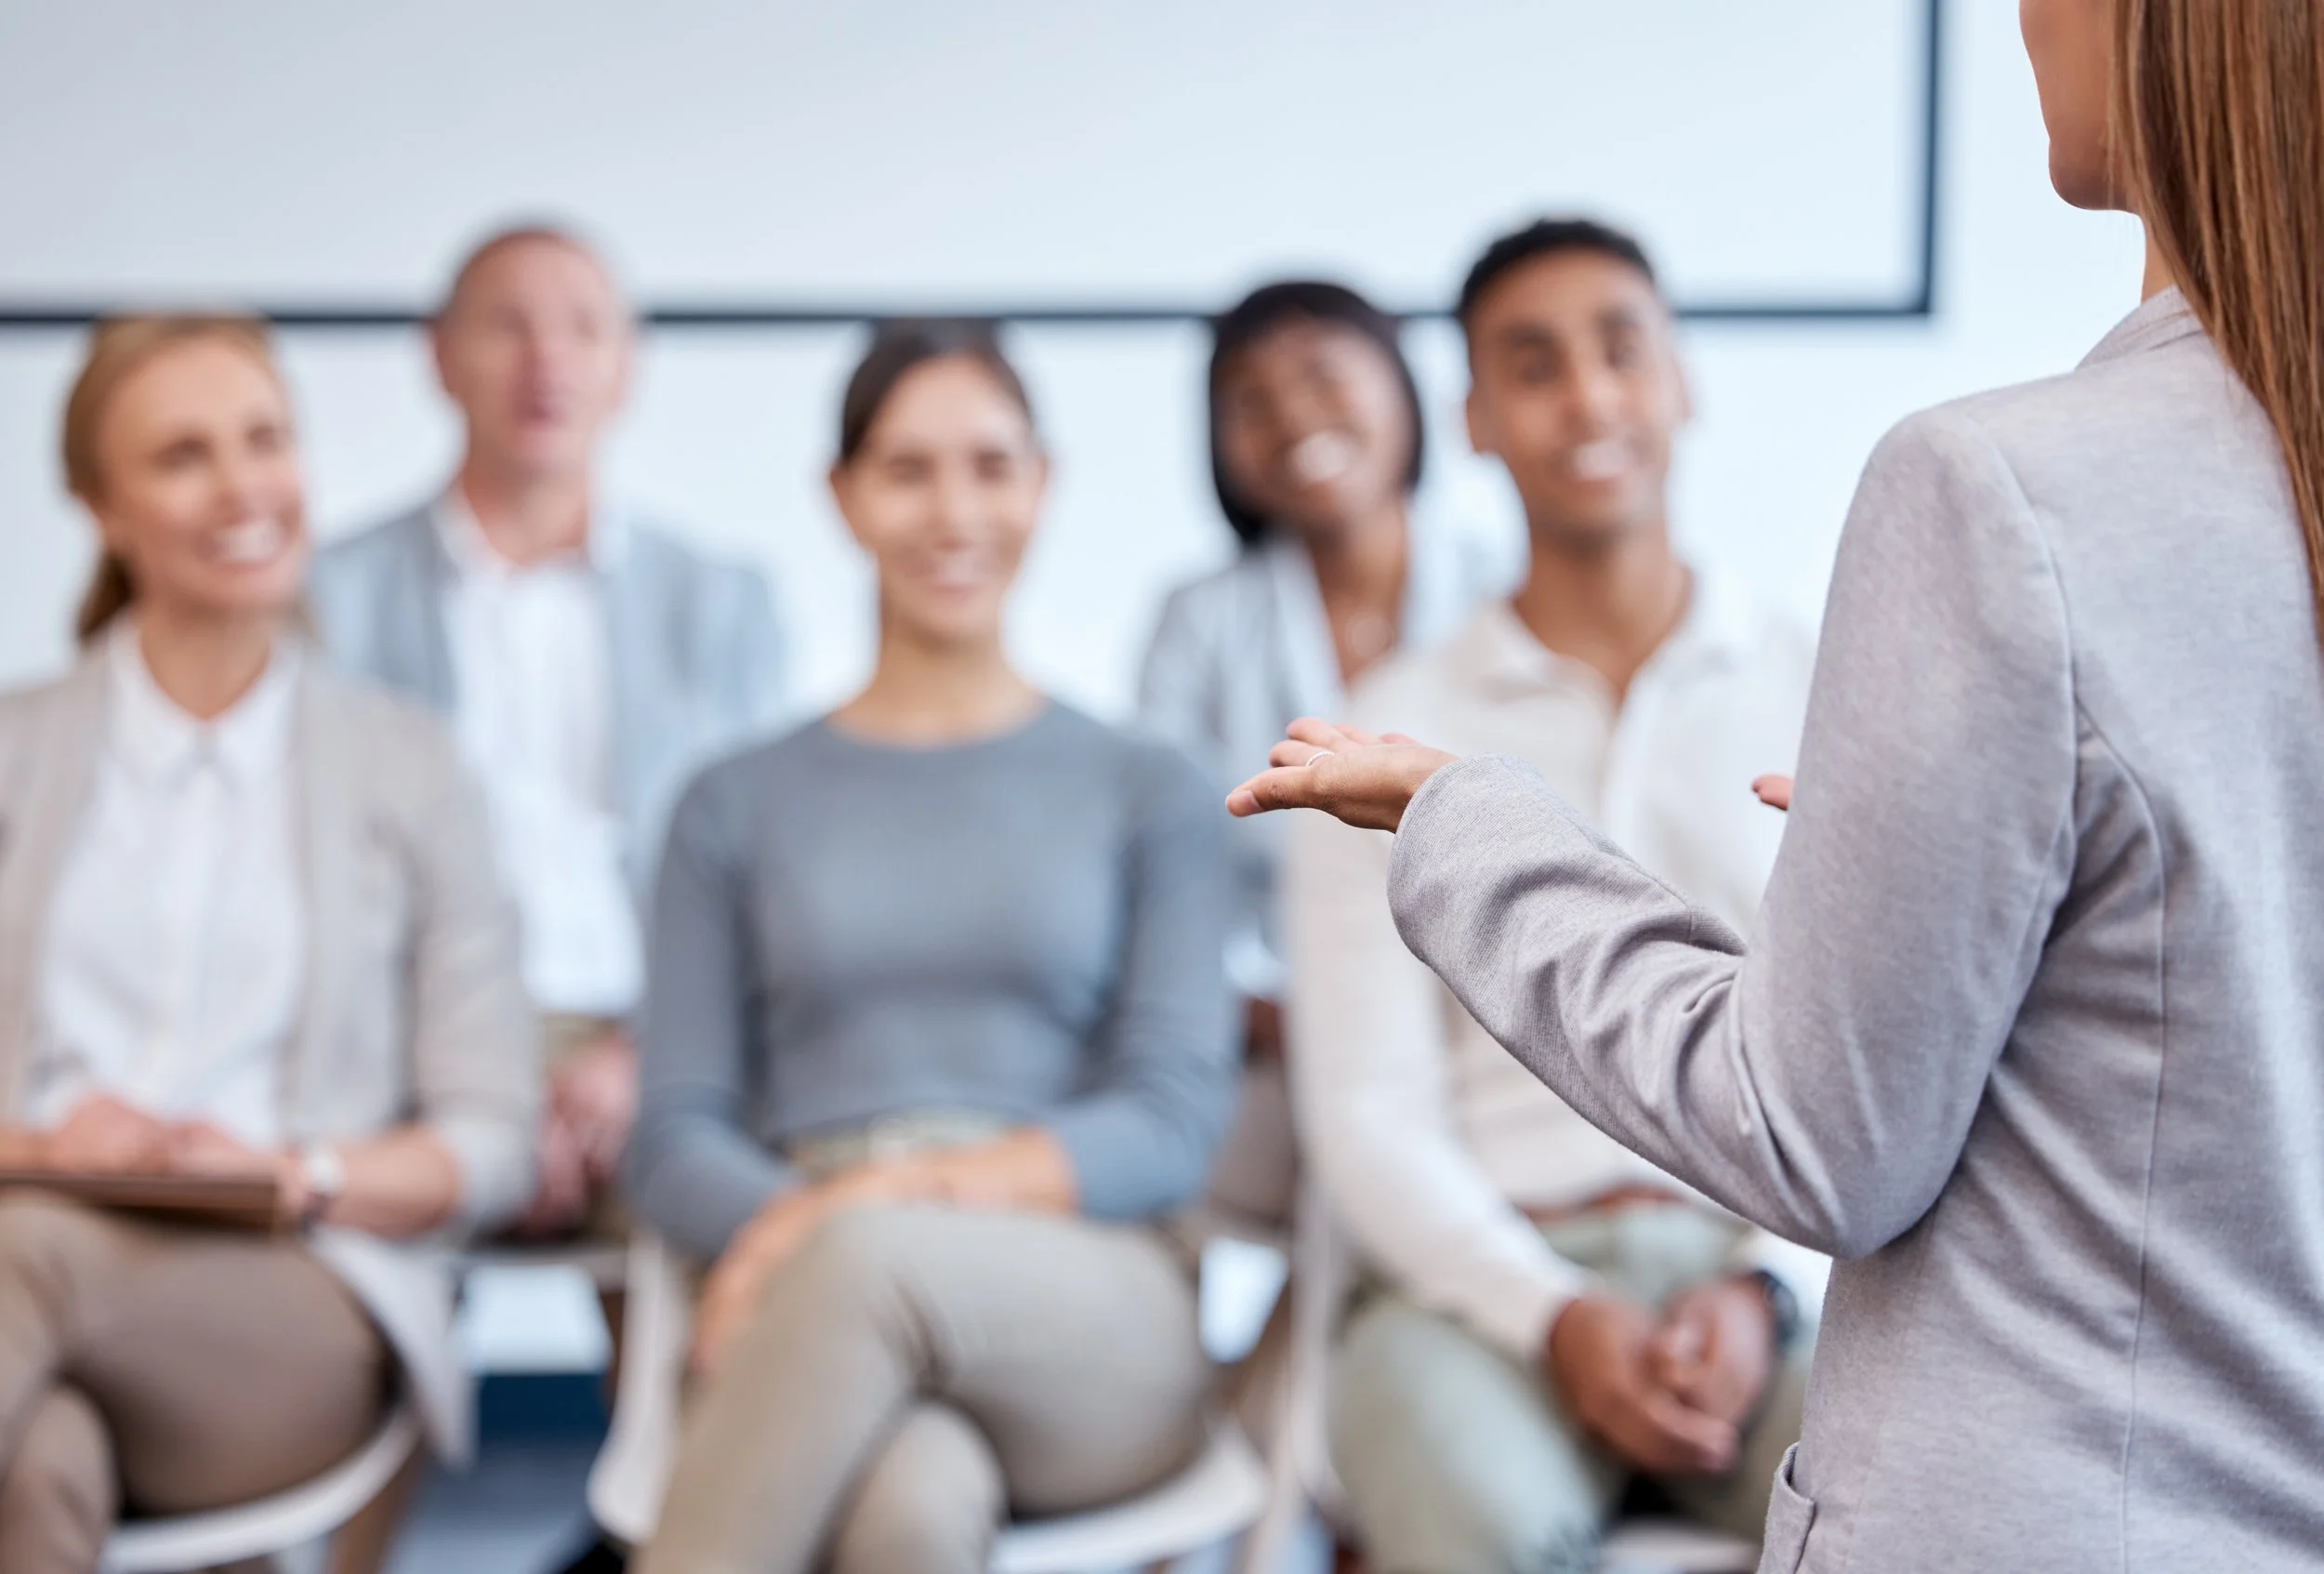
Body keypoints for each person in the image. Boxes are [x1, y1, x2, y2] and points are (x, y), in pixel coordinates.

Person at [1232, 1, 2324, 1567]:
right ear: (1472, 414)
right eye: (1532, 365)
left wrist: (1458, 816)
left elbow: (1818, 1133)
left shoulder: (1992, 496)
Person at [622, 322, 1233, 1574]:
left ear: (1042, 483)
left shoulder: (1147, 788)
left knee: (869, 1268)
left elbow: (1169, 1119)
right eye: (907, 470)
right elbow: (675, 1133)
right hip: (818, 1292)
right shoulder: (731, 800)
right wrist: (820, 1229)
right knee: (911, 1507)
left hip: (1085, 1296)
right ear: (839, 497)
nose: (954, 510)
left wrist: (848, 1220)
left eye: (990, 466)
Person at [1284, 219, 1823, 1574]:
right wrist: (1551, 1315)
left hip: (1768, 1273)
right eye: (1533, 365)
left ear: (1680, 382)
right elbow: (1366, 1107)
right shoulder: (1383, 727)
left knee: (1932, 1504)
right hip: (1474, 1289)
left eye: (1620, 350)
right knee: (1486, 1529)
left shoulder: (1822, 683)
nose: (1587, 398)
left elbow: (1857, 1053)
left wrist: (1765, 1284)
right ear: (1470, 417)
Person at [0, 316, 536, 1573]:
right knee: (40, 1466)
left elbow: (493, 1145)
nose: (245, 488)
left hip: (293, 1305)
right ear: (100, 506)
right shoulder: (15, 754)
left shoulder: (411, 766)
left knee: (23, 1257)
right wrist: (41, 1148)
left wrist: (295, 1171)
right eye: (185, 456)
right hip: (31, 1258)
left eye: (266, 440)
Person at [310, 224, 783, 1242]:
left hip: (653, 1040)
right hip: (408, 1053)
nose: (547, 361)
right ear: (437, 356)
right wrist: (477, 1096)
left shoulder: (722, 603)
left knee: (728, 1263)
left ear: (628, 367)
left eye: (582, 328)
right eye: (507, 326)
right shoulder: (332, 597)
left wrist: (647, 1055)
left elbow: (760, 870)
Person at [1139, 280, 1516, 1220]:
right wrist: (1270, 1015)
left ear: (1404, 391)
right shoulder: (1199, 622)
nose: (1291, 415)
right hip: (1275, 1038)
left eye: (1321, 375)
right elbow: (1167, 872)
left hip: (1493, 1034)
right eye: (1249, 401)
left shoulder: (1503, 591)